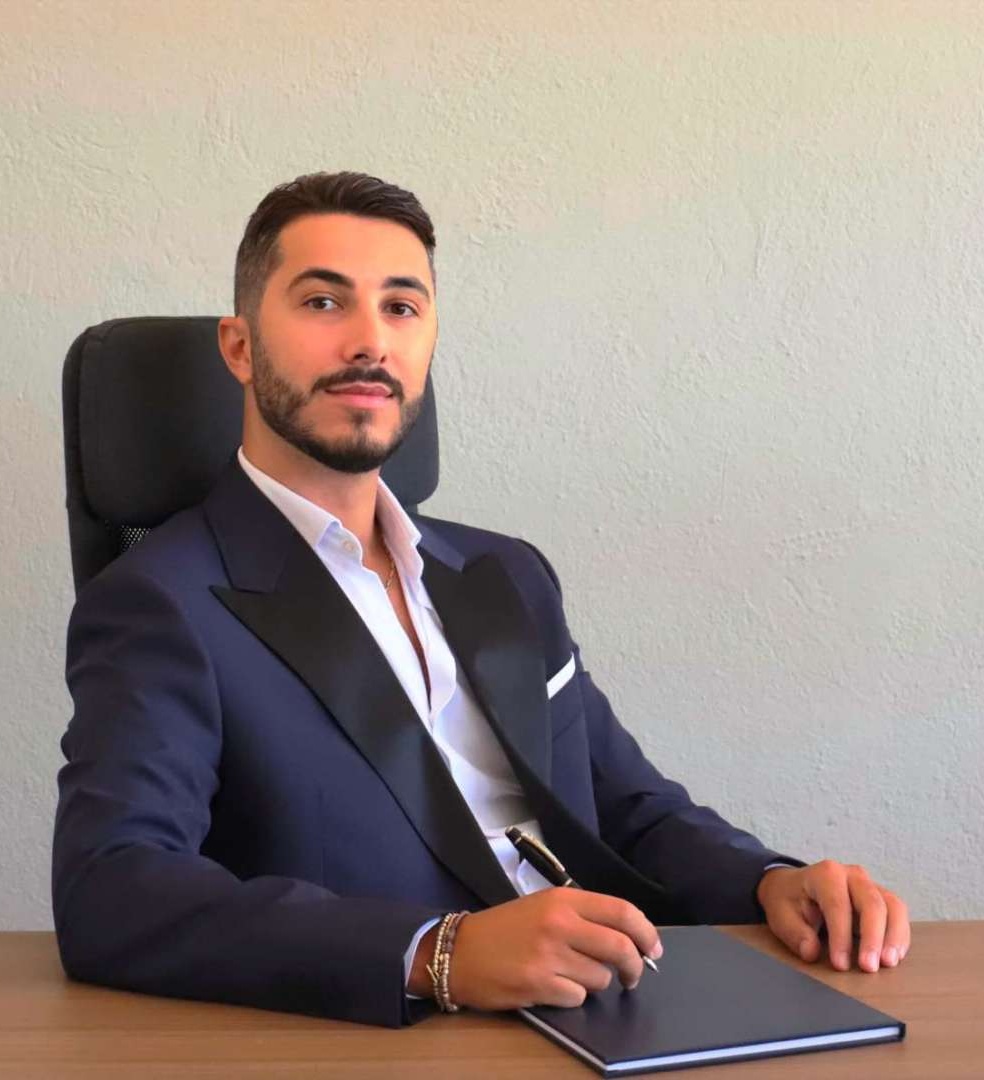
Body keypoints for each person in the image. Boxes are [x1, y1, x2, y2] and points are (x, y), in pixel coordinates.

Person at [53, 171, 910, 1028]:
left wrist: (770, 881)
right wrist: (439, 952)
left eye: (401, 307)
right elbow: (110, 887)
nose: (369, 341)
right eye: (322, 303)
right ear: (240, 349)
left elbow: (625, 807)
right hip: (407, 1033)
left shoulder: (505, 573)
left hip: (611, 1001)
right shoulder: (161, 601)